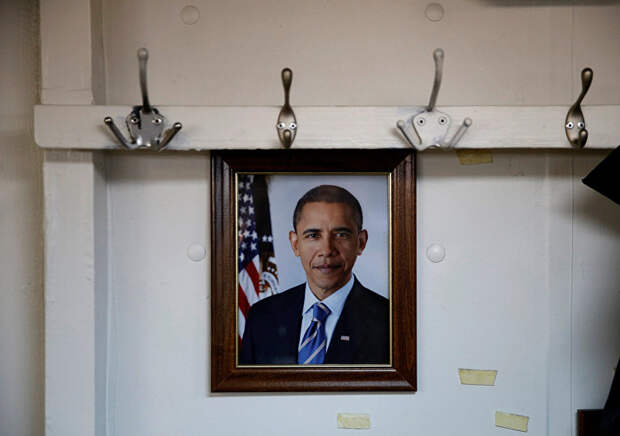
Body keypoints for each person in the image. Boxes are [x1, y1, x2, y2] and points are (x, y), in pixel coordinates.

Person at [239, 184, 389, 365]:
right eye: (313, 235)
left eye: (341, 234)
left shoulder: (390, 322)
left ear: (361, 242)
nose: (326, 250)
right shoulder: (262, 317)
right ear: (295, 244)